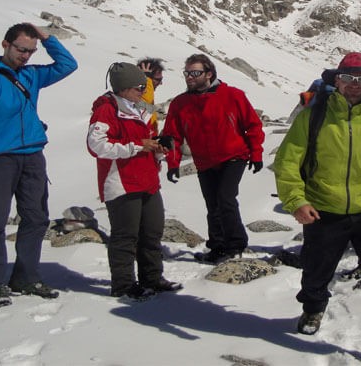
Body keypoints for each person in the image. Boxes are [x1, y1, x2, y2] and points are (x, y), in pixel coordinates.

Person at [273, 52, 361, 366]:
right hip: (323, 210)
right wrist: (297, 201)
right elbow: (287, 162)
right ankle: (313, 307)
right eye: (348, 78)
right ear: (337, 80)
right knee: (314, 273)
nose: (354, 85)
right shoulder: (314, 116)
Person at [0, 22, 78, 308]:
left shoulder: (32, 75)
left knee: (36, 219)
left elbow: (68, 64)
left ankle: (25, 277)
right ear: (5, 44)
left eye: (31, 51)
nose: (26, 56)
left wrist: (47, 39)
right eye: (22, 49)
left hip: (33, 155)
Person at [87, 62, 182, 300]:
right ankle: (124, 284)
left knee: (152, 231)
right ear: (123, 88)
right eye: (139, 86)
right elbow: (96, 145)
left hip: (147, 177)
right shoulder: (106, 110)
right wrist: (137, 146)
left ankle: (152, 277)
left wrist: (160, 147)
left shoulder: (142, 106)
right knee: (125, 236)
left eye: (145, 85)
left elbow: (149, 136)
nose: (143, 90)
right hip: (121, 181)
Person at [160, 53, 265, 263]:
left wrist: (256, 154)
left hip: (233, 155)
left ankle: (235, 245)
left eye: (195, 73)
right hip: (204, 161)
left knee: (225, 198)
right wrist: (173, 163)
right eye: (187, 73)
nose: (189, 77)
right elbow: (171, 135)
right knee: (212, 205)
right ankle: (217, 247)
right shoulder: (180, 103)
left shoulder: (232, 95)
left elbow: (252, 125)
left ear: (209, 74)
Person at [137, 57, 166, 134]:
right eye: (158, 79)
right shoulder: (137, 96)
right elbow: (147, 100)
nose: (161, 83)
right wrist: (146, 78)